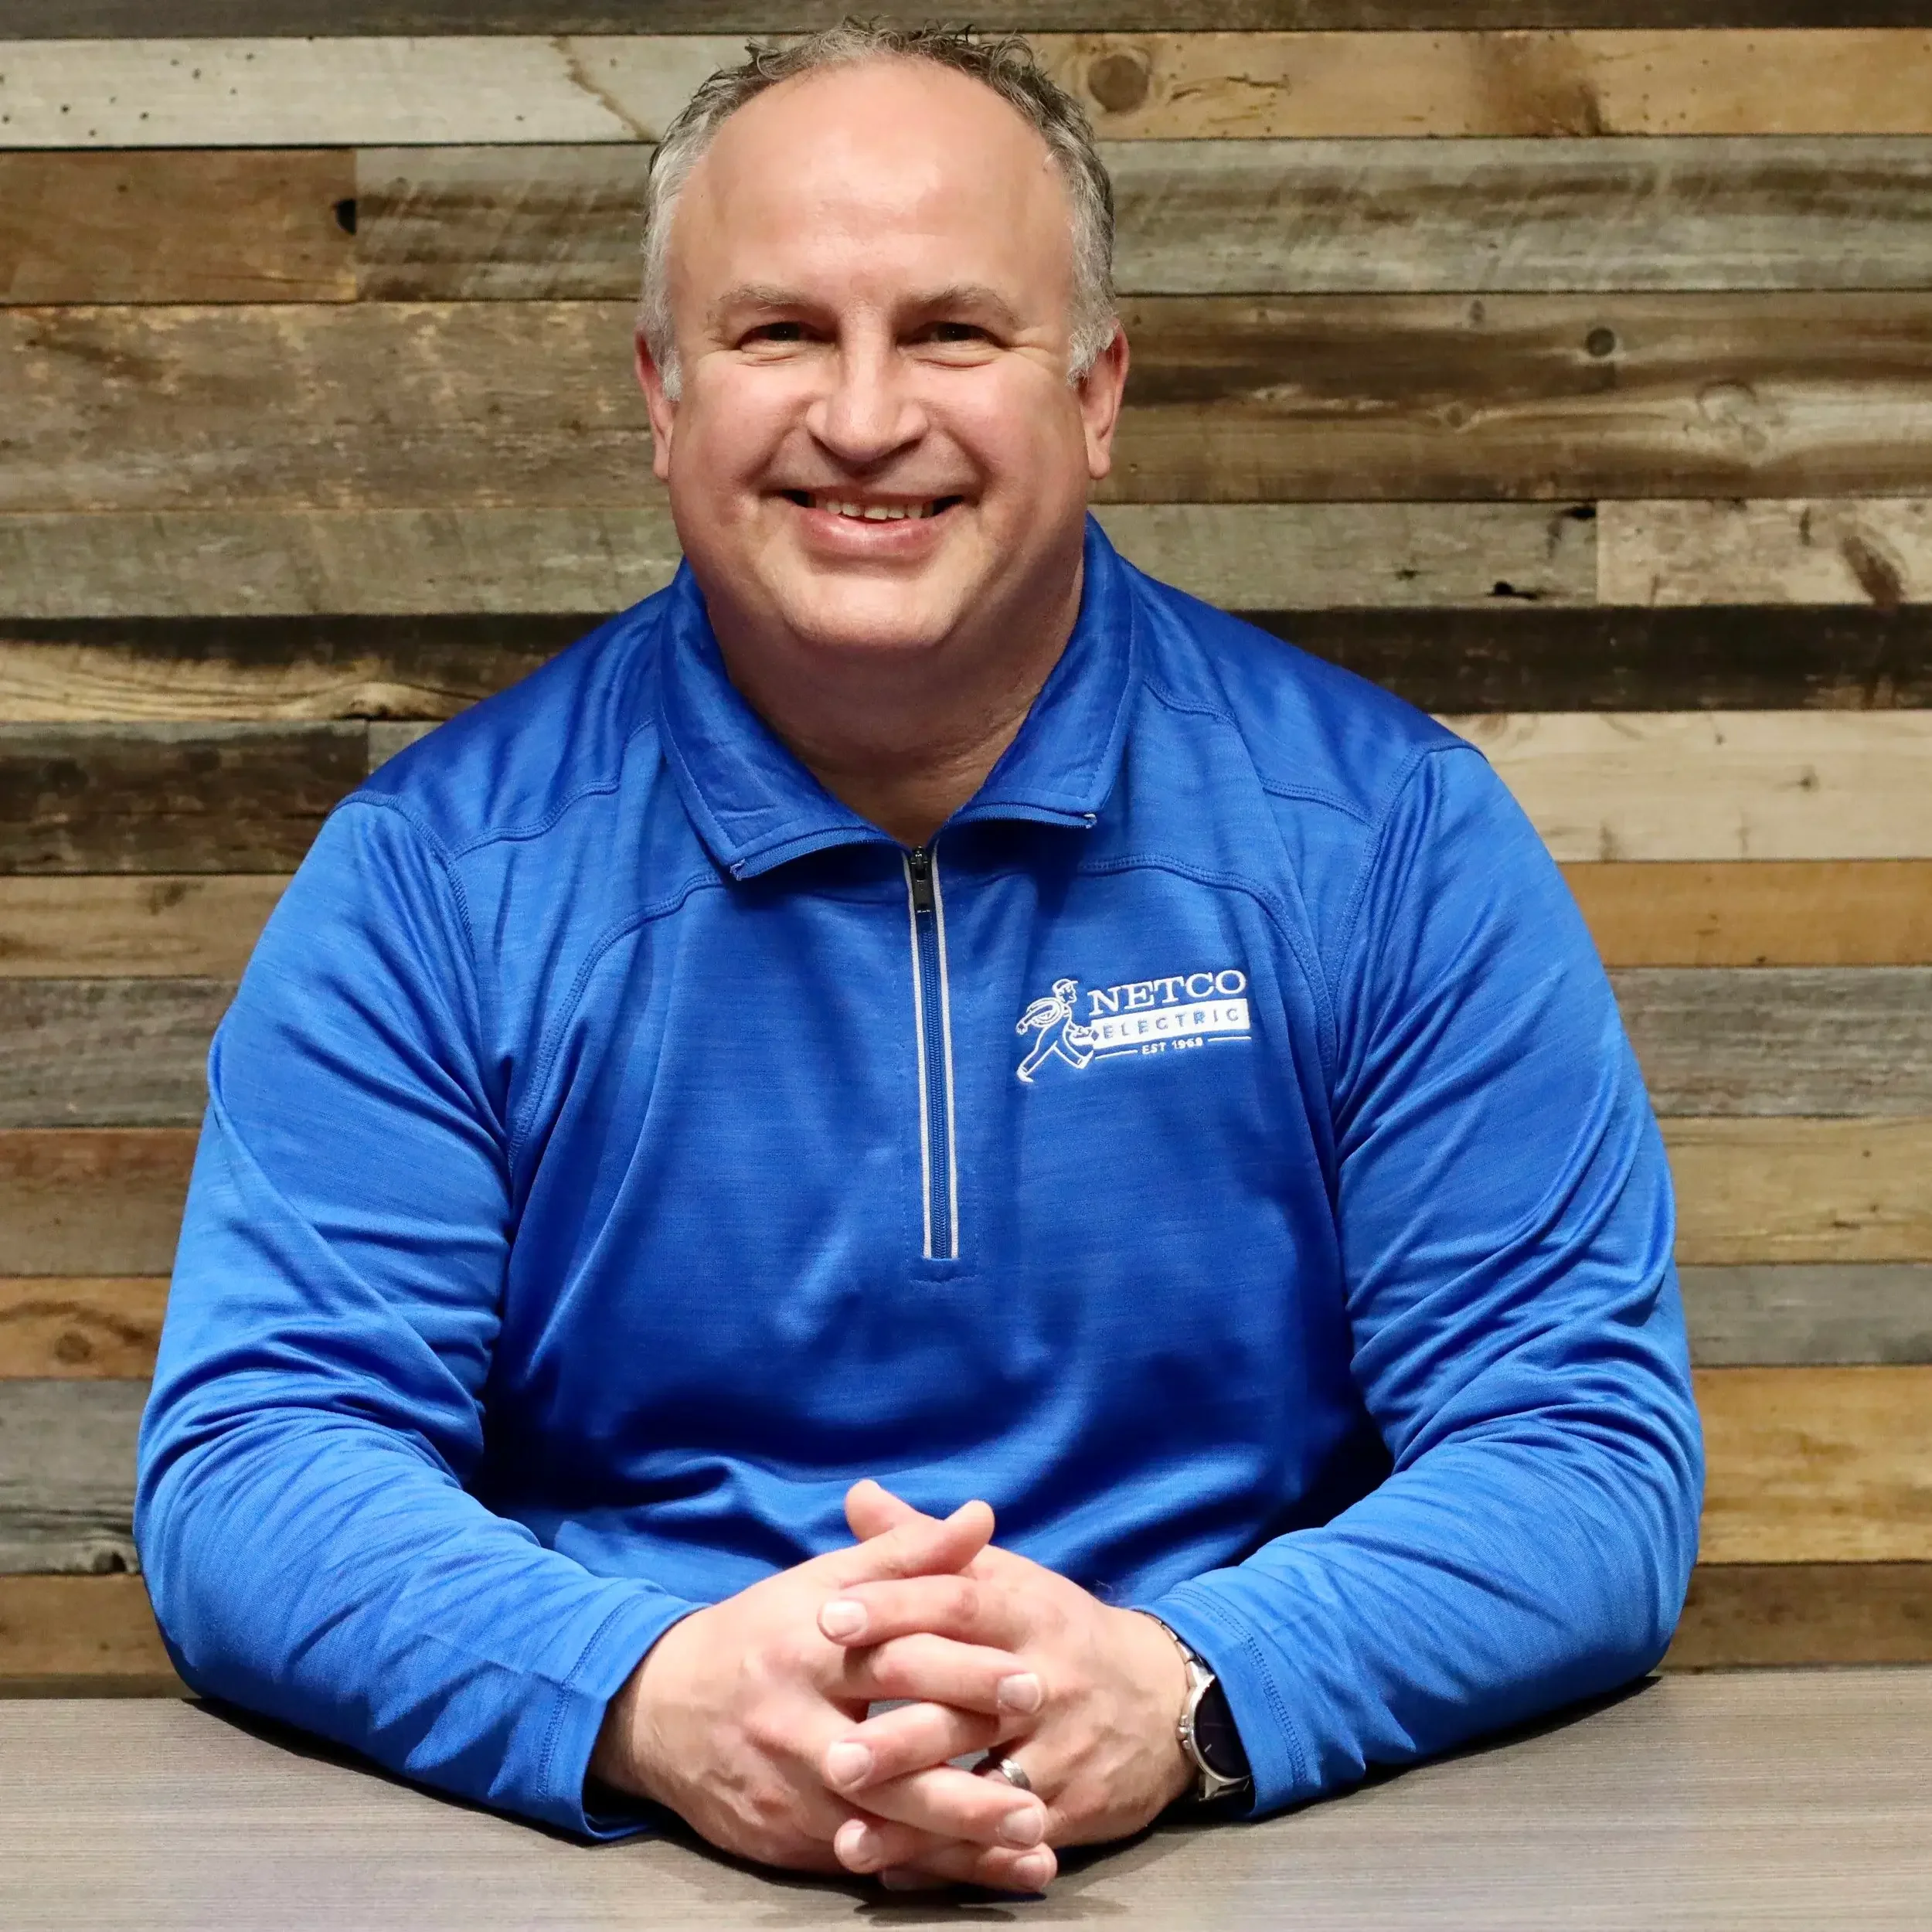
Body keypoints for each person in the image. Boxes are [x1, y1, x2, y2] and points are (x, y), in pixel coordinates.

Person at [135, 23, 1703, 1899]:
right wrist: (646, 1691)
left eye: (951, 331)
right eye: (779, 331)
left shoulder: (1389, 840)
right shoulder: (430, 882)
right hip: (610, 1865)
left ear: (1094, 389)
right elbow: (257, 1459)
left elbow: (1577, 1445)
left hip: (1249, 1854)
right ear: (659, 394)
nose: (866, 417)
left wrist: (1183, 1686)